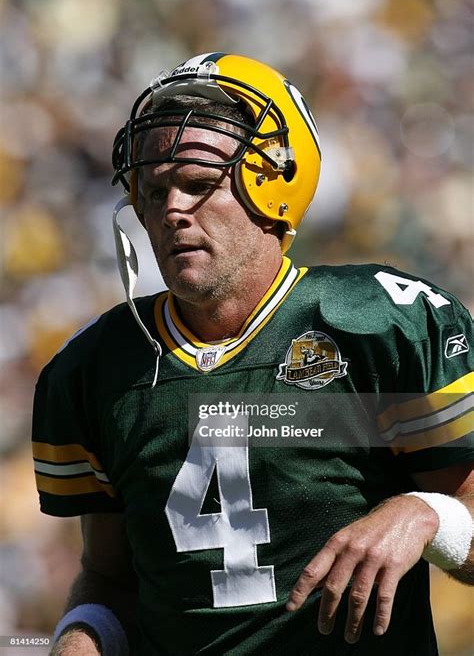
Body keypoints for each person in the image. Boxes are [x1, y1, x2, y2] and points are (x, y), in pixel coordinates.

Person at [32, 53, 473, 656]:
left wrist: (426, 514)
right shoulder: (96, 369)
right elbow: (113, 580)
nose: (170, 211)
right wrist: (80, 639)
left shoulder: (377, 323)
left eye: (196, 183)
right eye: (154, 190)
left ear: (274, 182)